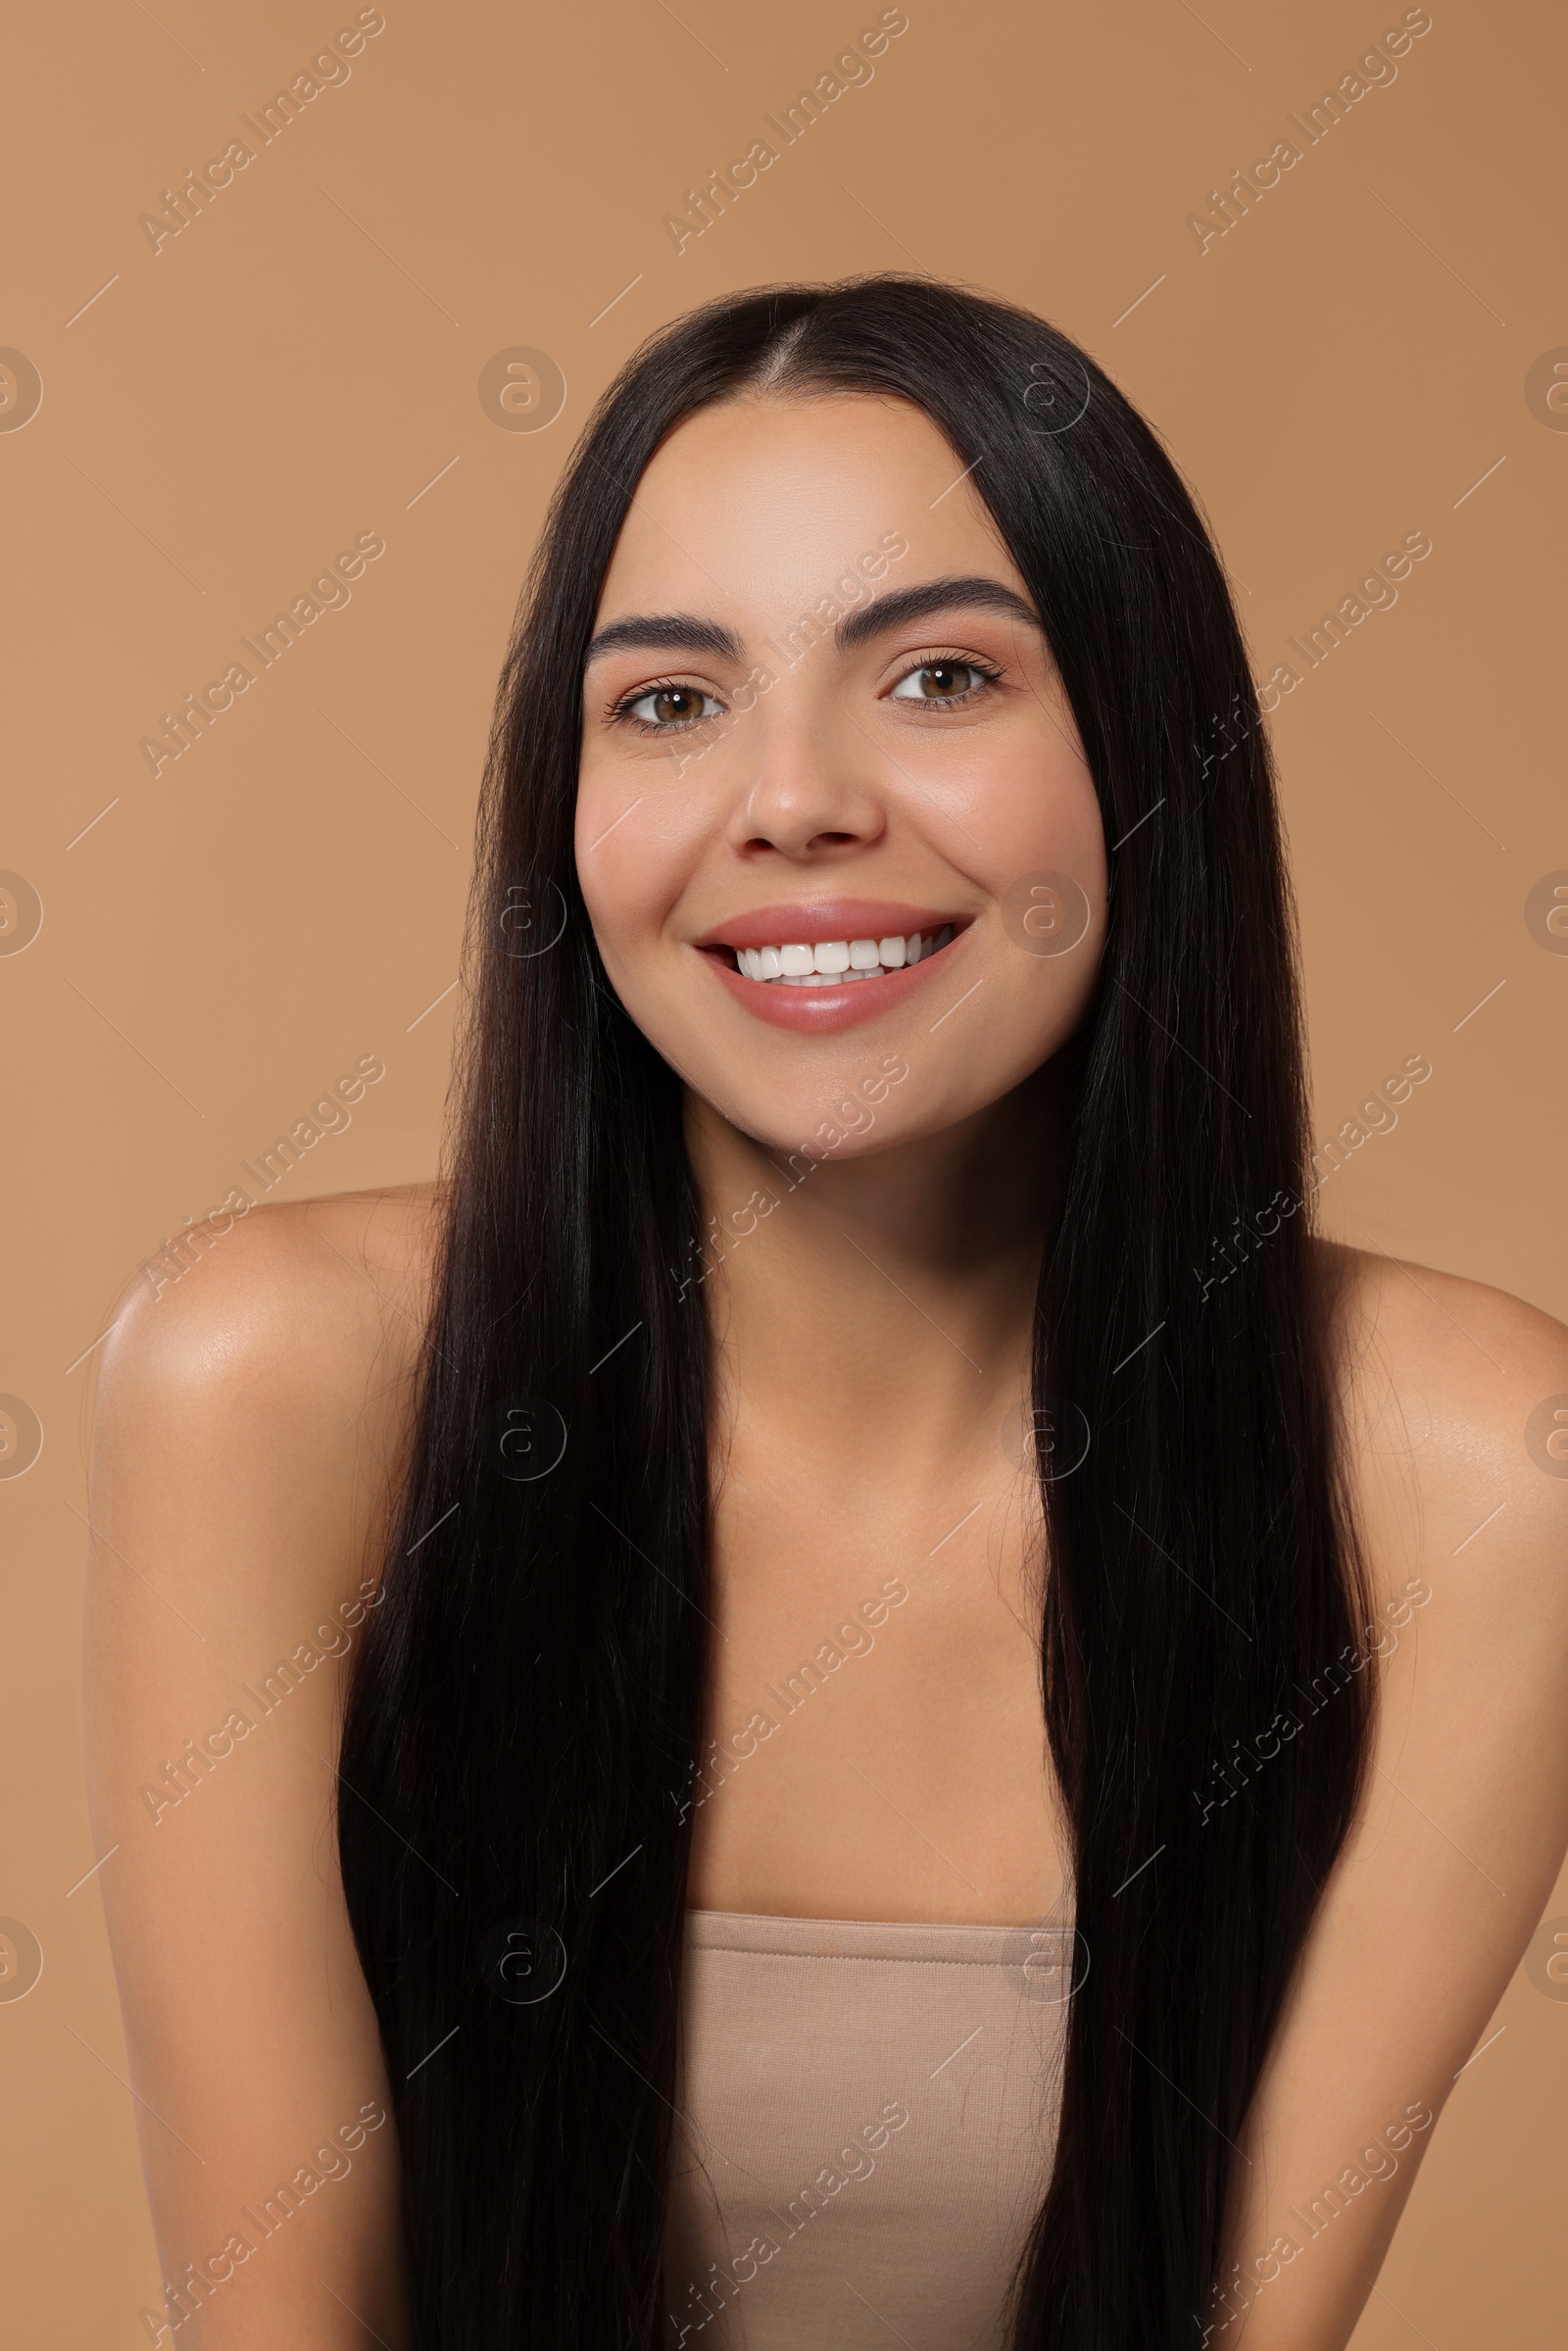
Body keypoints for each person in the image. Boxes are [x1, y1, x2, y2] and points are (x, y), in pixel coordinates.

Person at [84, 276, 1568, 2351]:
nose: (789, 800)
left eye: (939, 674)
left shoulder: (1470, 1474)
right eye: (668, 701)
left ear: (1149, 751)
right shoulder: (275, 1381)